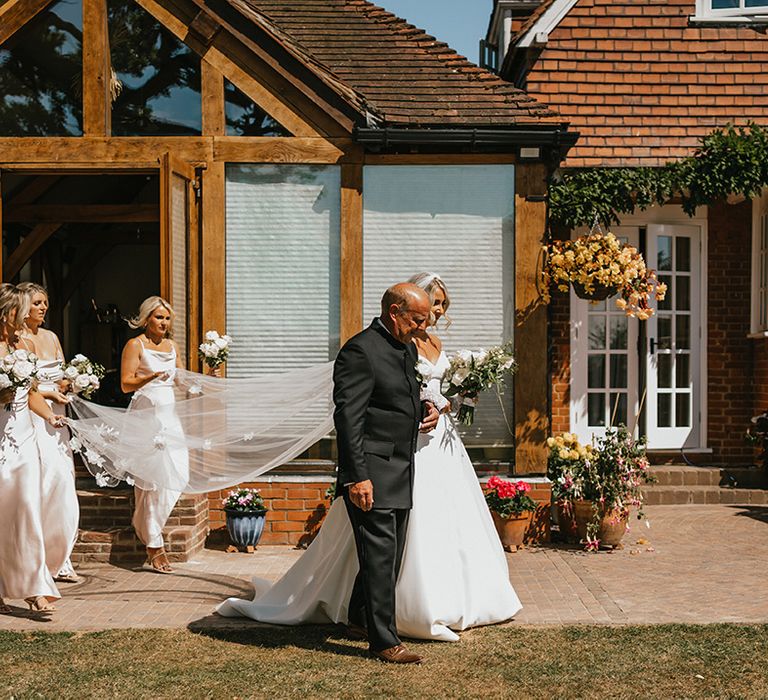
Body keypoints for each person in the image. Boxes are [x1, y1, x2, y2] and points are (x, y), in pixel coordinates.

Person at [220, 277, 518, 658]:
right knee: (379, 555)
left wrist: (426, 410)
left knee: (388, 555)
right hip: (372, 472)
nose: (424, 328)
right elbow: (349, 418)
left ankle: (360, 616)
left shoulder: (404, 349)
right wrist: (357, 476)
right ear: (394, 313)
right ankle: (384, 641)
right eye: (418, 319)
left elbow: (400, 399)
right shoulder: (360, 351)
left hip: (403, 467)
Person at [0, 284, 63, 613]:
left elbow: (32, 392)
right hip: (0, 437)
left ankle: (35, 588)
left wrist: (50, 415)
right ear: (6, 313)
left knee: (27, 509)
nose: (25, 314)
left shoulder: (22, 346)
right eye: (19, 309)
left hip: (24, 440)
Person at [120, 296, 187, 574]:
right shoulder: (135, 344)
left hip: (170, 416)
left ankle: (146, 528)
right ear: (147, 319)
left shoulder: (172, 346)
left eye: (167, 318)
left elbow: (182, 379)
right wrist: (150, 377)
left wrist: (209, 375)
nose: (164, 323)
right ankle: (154, 543)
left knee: (178, 476)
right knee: (150, 482)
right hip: (146, 414)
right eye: (159, 317)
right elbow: (125, 384)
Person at [19, 282, 80, 584]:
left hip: (58, 419)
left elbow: (64, 373)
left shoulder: (52, 336)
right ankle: (39, 557)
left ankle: (61, 557)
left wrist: (72, 383)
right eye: (37, 303)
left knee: (64, 482)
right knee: (43, 484)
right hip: (33, 419)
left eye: (45, 302)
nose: (44, 308)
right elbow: (24, 387)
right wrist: (49, 392)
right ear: (23, 307)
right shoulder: (18, 340)